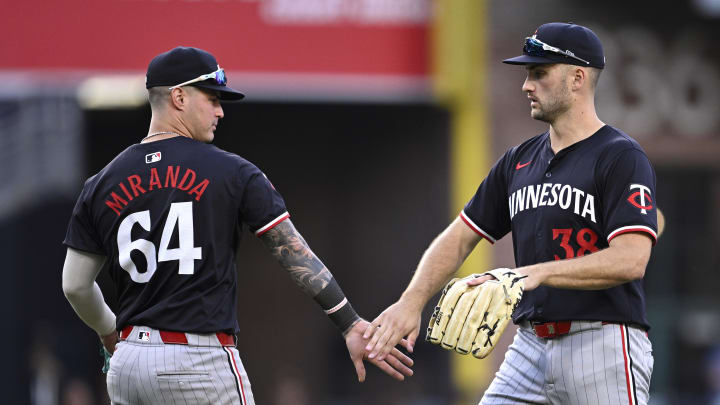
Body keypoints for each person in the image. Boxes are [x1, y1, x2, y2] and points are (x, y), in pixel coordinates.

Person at [61, 46, 412, 405]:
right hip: (197, 360)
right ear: (179, 97)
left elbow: (74, 285)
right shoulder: (233, 172)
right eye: (212, 98)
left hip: (129, 363)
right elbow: (294, 254)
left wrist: (109, 331)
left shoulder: (100, 183)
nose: (220, 110)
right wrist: (350, 323)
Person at [363, 23, 658, 404]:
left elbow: (632, 259)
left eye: (539, 73)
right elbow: (459, 237)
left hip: (601, 343)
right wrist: (411, 302)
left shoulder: (620, 157)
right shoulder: (518, 161)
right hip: (530, 346)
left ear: (578, 78)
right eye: (526, 74)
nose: (526, 85)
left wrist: (532, 273)